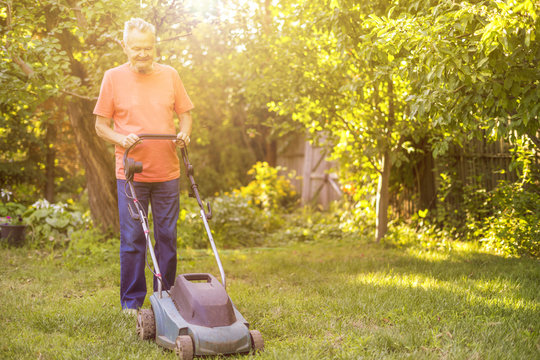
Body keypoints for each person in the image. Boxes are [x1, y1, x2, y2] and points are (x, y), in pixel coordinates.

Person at [93, 18, 193, 313]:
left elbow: (185, 114)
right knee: (134, 238)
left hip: (167, 173)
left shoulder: (171, 75)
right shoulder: (112, 77)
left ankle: (166, 299)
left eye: (147, 48)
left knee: (167, 238)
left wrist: (185, 132)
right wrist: (122, 139)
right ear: (124, 46)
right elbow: (101, 126)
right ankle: (132, 305)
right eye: (136, 48)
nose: (142, 54)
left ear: (154, 46)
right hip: (130, 173)